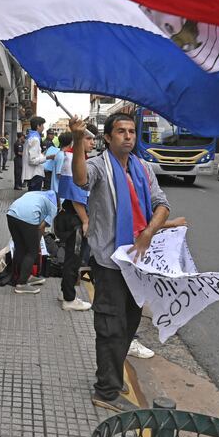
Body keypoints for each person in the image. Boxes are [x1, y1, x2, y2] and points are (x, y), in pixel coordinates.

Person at [71, 112, 170, 413]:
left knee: (129, 322)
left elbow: (162, 204)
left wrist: (148, 233)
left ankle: (112, 375)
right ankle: (106, 390)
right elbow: (80, 179)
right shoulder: (100, 166)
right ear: (108, 137)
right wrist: (77, 140)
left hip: (138, 262)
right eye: (120, 131)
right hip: (110, 261)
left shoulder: (143, 168)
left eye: (131, 131)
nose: (127, 136)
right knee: (110, 323)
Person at [54, 131, 94, 312]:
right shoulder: (74, 160)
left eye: (93, 139)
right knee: (74, 259)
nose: (93, 143)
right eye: (88, 138)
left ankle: (65, 292)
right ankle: (69, 299)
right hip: (76, 217)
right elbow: (76, 196)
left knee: (71, 257)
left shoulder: (70, 156)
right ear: (78, 140)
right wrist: (85, 220)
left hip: (68, 215)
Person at [6, 190, 57, 294]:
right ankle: (22, 284)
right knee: (32, 252)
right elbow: (41, 226)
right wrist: (36, 243)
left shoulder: (35, 193)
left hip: (11, 214)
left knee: (20, 247)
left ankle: (21, 277)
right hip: (27, 218)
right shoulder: (53, 206)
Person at [22, 116, 47, 191]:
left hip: (33, 174)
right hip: (35, 174)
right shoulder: (35, 139)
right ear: (38, 126)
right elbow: (32, 160)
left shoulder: (30, 137)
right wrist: (47, 157)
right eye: (42, 125)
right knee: (34, 196)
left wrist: (41, 154)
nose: (43, 128)